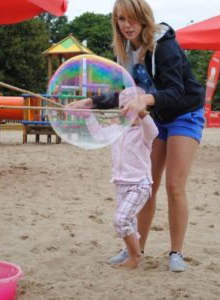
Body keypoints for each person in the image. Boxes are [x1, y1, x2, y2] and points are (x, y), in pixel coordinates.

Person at [68, 0, 205, 272]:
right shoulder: (126, 52)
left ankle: (176, 253)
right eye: (120, 19)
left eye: (131, 18)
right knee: (146, 187)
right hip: (152, 116)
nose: (126, 25)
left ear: (143, 18)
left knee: (174, 186)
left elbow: (177, 92)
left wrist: (145, 100)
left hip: (184, 113)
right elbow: (125, 94)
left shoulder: (163, 46)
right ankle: (135, 249)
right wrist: (92, 103)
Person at [85, 88, 158, 269]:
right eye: (124, 107)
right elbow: (97, 134)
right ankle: (131, 252)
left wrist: (143, 114)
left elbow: (154, 131)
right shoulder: (116, 130)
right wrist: (87, 115)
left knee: (120, 219)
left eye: (132, 107)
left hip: (140, 184)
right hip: (120, 184)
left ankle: (135, 256)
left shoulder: (143, 132)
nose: (128, 111)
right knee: (129, 221)